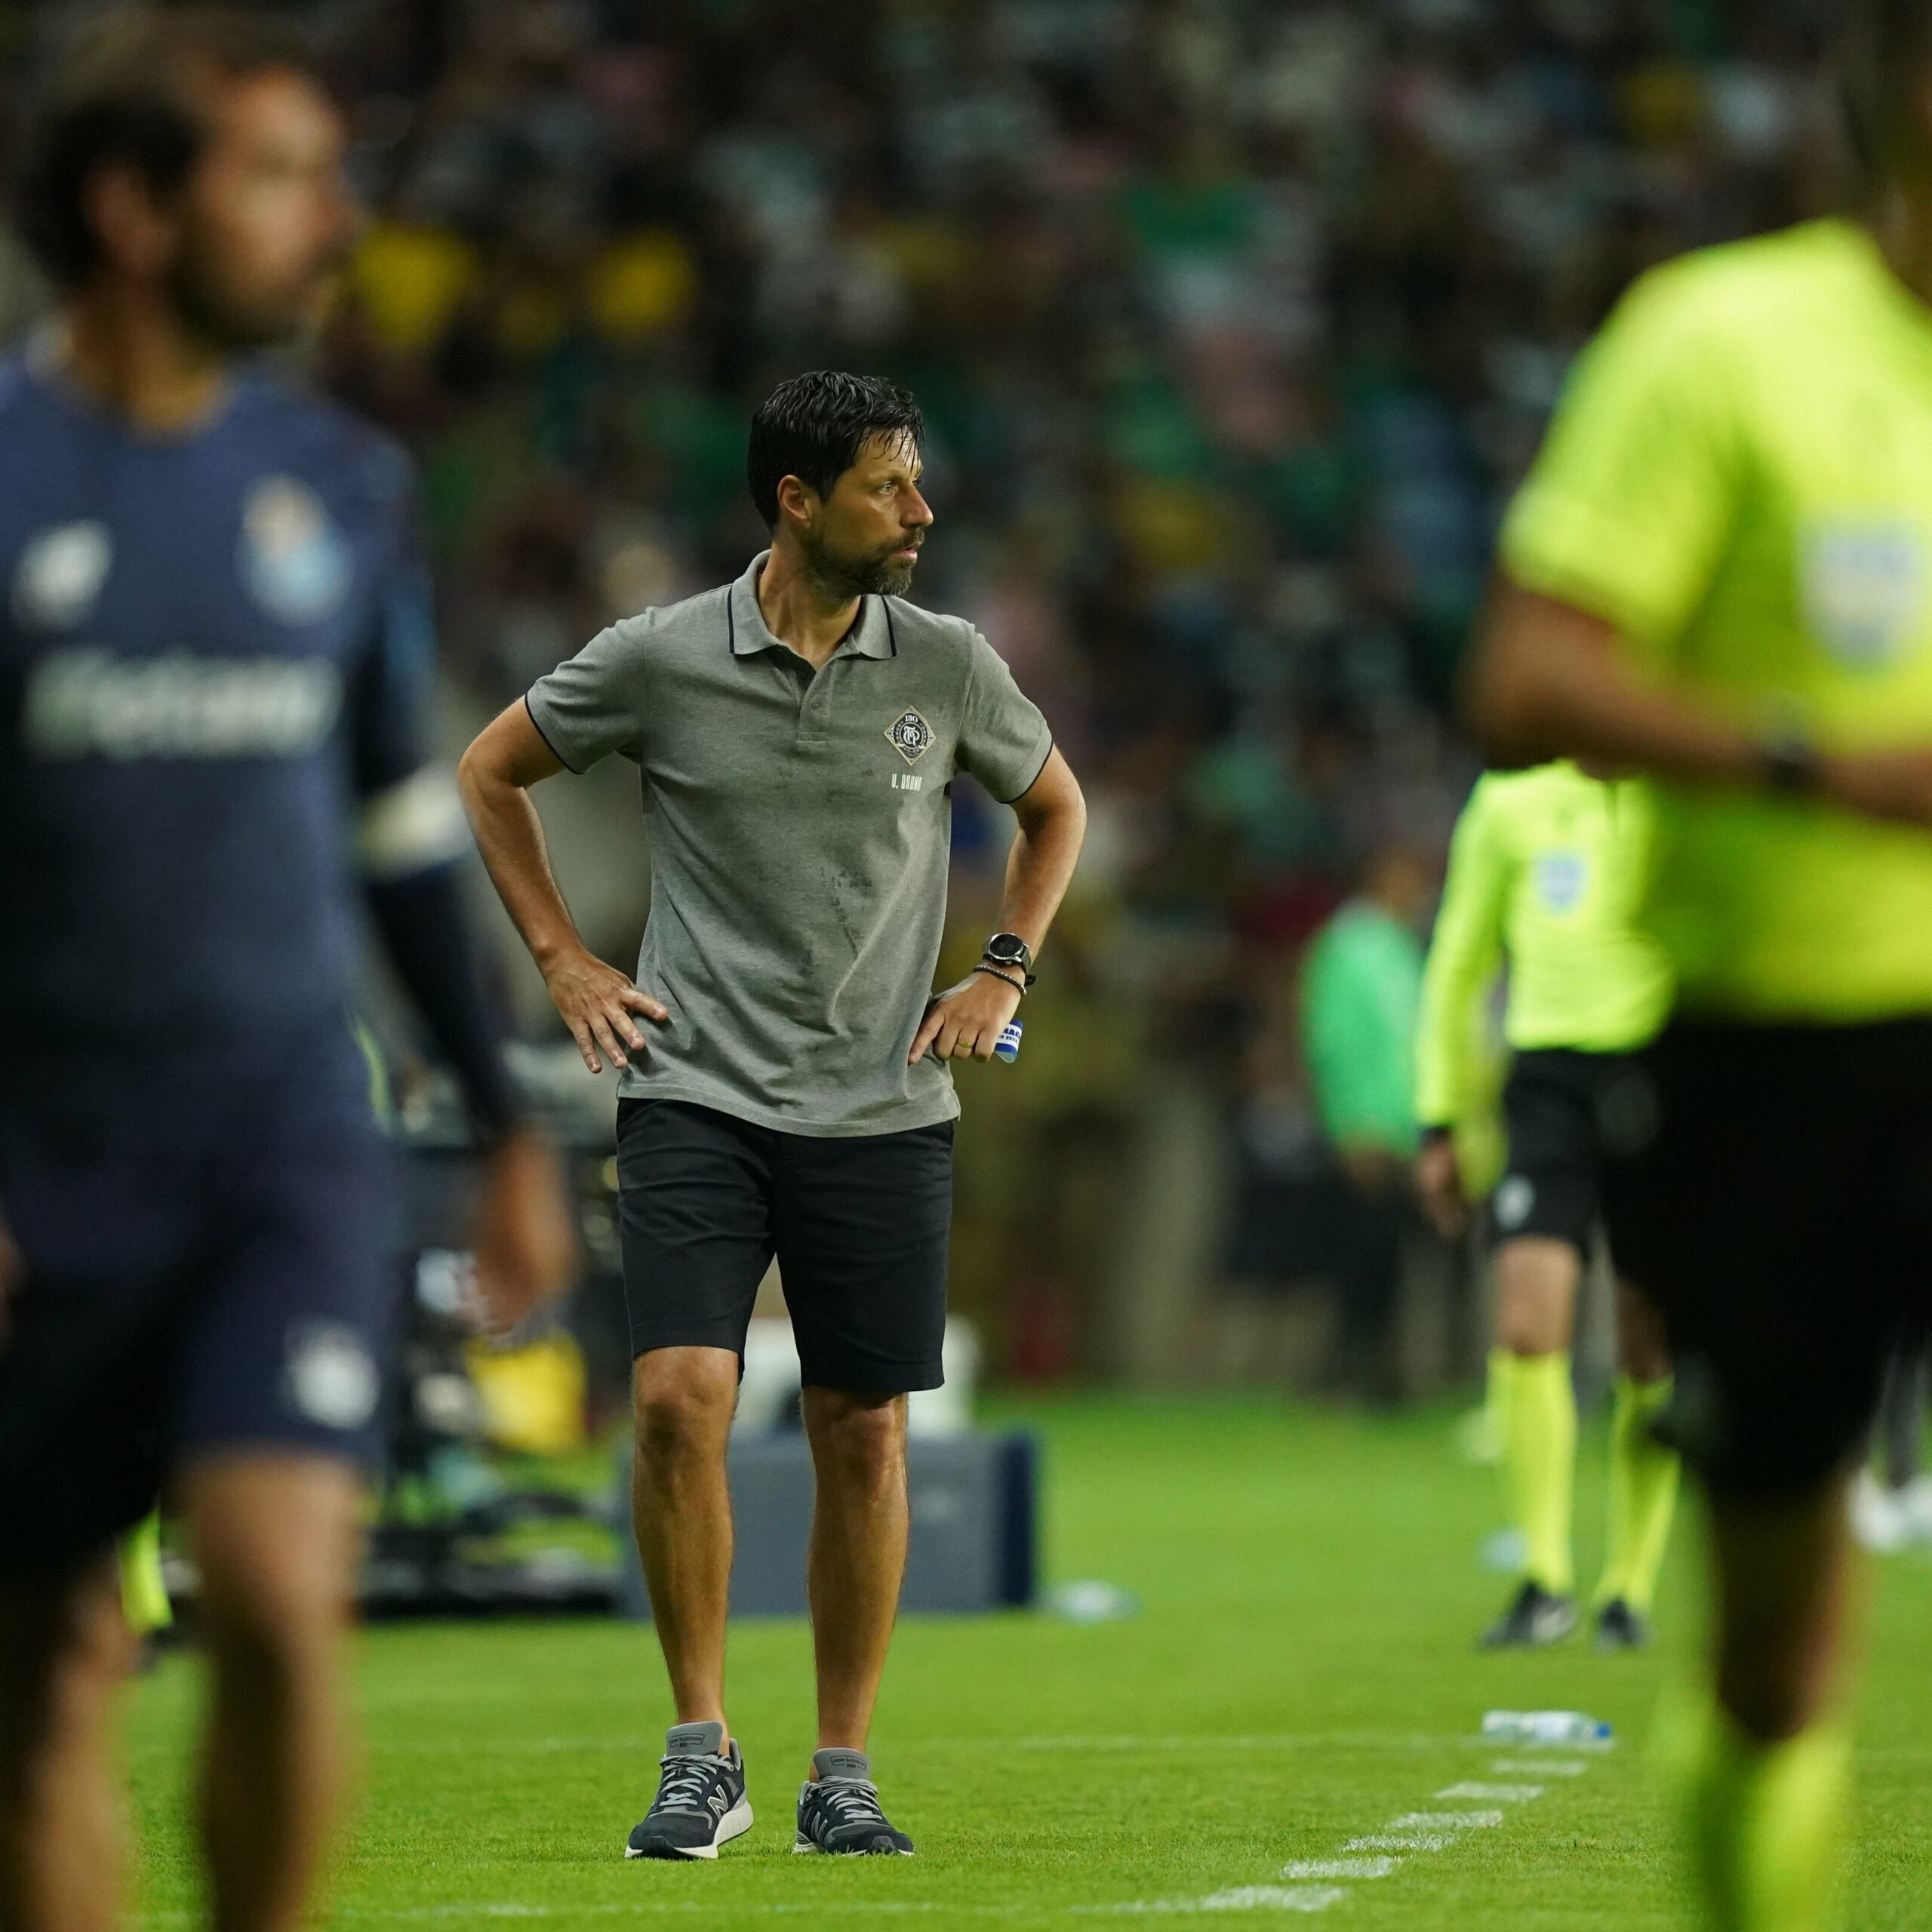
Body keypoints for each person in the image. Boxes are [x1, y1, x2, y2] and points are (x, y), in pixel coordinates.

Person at [0, 18, 577, 1932]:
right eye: (277, 177)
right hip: (42, 1155)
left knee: (271, 1586)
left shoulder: (337, 483)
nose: (334, 224)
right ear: (133, 210)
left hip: (278, 1135)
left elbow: (398, 825)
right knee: (44, 1676)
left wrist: (500, 1114)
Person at [460, 370, 1087, 1859]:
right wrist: (563, 959)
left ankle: (840, 1768)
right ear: (798, 501)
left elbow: (1055, 806)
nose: (920, 511)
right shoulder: (660, 656)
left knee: (860, 1428)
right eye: (888, 486)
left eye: (917, 481)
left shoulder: (948, 663)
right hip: (695, 1086)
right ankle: (701, 1749)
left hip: (882, 1101)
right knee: (677, 1395)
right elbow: (489, 773)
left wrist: (1003, 967)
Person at [1467, 4, 1932, 1921]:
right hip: (1784, 1057)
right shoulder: (1721, 343)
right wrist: (1817, 763)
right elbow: (1522, 674)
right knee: (1773, 1648)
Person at [1414, 761, 1680, 1651]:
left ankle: (1630, 1586)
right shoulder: (1509, 802)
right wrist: (1441, 1116)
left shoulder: (1676, 787)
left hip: (1657, 1076)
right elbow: (1459, 961)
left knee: (1649, 1343)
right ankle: (1544, 1576)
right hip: (1545, 1091)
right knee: (1527, 1327)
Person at [1299, 845, 1432, 1400]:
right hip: (1366, 1130)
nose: (1418, 891)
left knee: (1386, 1258)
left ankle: (1375, 1373)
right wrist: (1349, 1122)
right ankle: (1346, 1372)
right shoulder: (1346, 945)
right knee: (1359, 1257)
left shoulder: (1400, 946)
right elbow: (1332, 1040)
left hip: (1402, 1129)